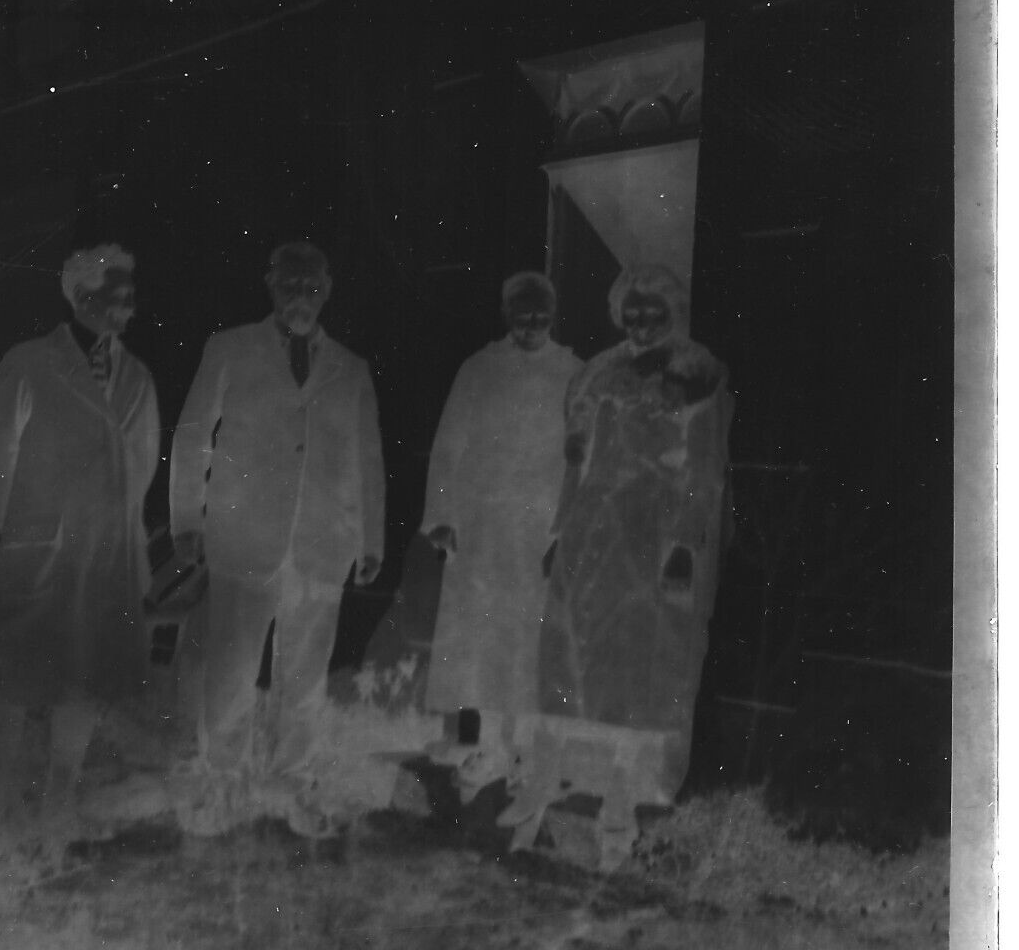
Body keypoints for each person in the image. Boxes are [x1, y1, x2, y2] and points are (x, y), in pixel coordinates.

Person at [169, 241, 385, 809]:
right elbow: (193, 436)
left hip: (321, 545)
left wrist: (370, 540)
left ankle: (293, 776)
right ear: (270, 286)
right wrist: (187, 522)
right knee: (232, 668)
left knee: (307, 673)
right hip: (244, 541)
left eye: (311, 288)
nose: (300, 298)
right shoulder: (229, 349)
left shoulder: (351, 369)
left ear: (327, 292)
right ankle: (221, 778)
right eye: (289, 285)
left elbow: (367, 458)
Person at [0, 244, 161, 811]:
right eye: (116, 296)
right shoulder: (30, 363)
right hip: (42, 549)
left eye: (130, 297)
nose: (128, 307)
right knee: (25, 673)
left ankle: (57, 800)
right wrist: (24, 514)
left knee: (87, 677)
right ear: (81, 296)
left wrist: (119, 529)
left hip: (105, 554)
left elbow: (141, 467)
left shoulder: (138, 378)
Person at [538, 263, 733, 800]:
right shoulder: (598, 372)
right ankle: (578, 776)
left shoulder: (697, 371)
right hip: (589, 525)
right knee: (570, 647)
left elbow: (706, 471)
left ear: (674, 314)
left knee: (636, 656)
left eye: (654, 313)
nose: (641, 323)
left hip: (652, 530)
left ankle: (629, 790)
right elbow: (577, 464)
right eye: (632, 312)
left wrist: (684, 550)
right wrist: (560, 531)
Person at [422, 272, 581, 758]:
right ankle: (465, 738)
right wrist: (443, 515)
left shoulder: (575, 372)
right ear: (506, 314)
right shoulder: (478, 368)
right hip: (481, 521)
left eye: (540, 315)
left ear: (552, 316)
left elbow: (581, 456)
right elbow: (449, 444)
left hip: (539, 525)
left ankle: (519, 745)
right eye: (521, 314)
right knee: (472, 629)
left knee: (526, 634)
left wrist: (566, 527)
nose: (531, 325)